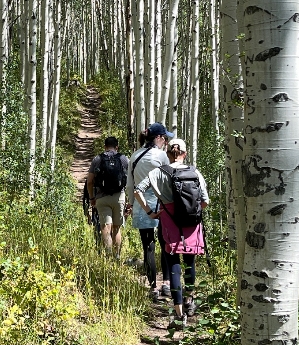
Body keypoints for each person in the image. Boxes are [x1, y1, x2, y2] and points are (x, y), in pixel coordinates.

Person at [134, 138, 209, 329]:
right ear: (184, 153)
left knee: (173, 263)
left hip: (169, 222)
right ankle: (190, 300)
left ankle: (178, 314)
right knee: (190, 262)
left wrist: (150, 212)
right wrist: (192, 211)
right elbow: (205, 201)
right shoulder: (195, 172)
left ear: (168, 154)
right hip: (192, 223)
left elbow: (137, 191)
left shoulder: (158, 172)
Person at [125, 123, 172, 300]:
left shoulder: (134, 156)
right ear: (158, 138)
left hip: (141, 204)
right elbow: (169, 180)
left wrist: (130, 203)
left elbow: (130, 184)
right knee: (165, 243)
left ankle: (153, 286)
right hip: (162, 204)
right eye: (165, 138)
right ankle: (166, 283)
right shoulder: (161, 156)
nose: (165, 142)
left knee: (148, 247)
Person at [86, 136, 129, 257]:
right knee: (116, 228)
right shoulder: (123, 159)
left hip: (101, 197)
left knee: (105, 226)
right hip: (119, 196)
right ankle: (117, 256)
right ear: (117, 147)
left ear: (105, 147)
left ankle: (108, 256)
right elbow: (131, 179)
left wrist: (91, 198)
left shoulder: (98, 159)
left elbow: (89, 181)